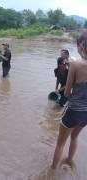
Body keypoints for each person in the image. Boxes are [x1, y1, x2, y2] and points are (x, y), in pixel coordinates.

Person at [52, 32, 87, 169]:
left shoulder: (75, 64)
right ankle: (69, 160)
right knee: (74, 137)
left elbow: (66, 93)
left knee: (60, 143)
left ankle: (53, 171)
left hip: (73, 110)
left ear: (81, 46)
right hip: (86, 114)